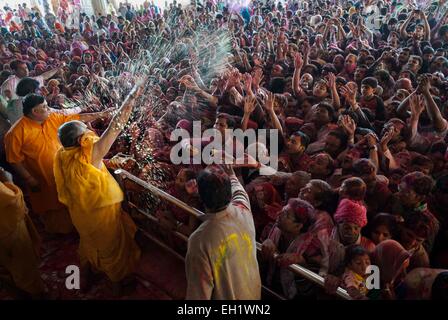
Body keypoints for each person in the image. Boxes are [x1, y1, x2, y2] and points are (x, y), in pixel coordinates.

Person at [53, 83, 143, 293]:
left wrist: (109, 162)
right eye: (86, 131)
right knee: (111, 251)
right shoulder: (88, 154)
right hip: (100, 216)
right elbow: (116, 126)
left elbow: (91, 169)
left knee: (89, 243)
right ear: (80, 140)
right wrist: (130, 98)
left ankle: (88, 272)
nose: (90, 131)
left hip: (80, 215)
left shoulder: (62, 155)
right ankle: (116, 284)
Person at [4, 94, 110, 234]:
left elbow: (78, 119)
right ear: (35, 111)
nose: (49, 109)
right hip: (42, 177)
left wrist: (101, 114)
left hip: (65, 170)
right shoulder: (16, 132)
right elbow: (14, 160)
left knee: (71, 199)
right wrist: (30, 180)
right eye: (45, 107)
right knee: (54, 210)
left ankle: (78, 226)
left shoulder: (52, 118)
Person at [185, 164, 261, 300]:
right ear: (229, 192)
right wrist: (231, 174)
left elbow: (198, 295)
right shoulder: (243, 208)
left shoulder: (199, 241)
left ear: (201, 197)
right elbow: (238, 189)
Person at [0, 166, 45, 299]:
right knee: (23, 265)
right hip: (7, 229)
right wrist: (7, 180)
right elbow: (11, 201)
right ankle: (36, 293)